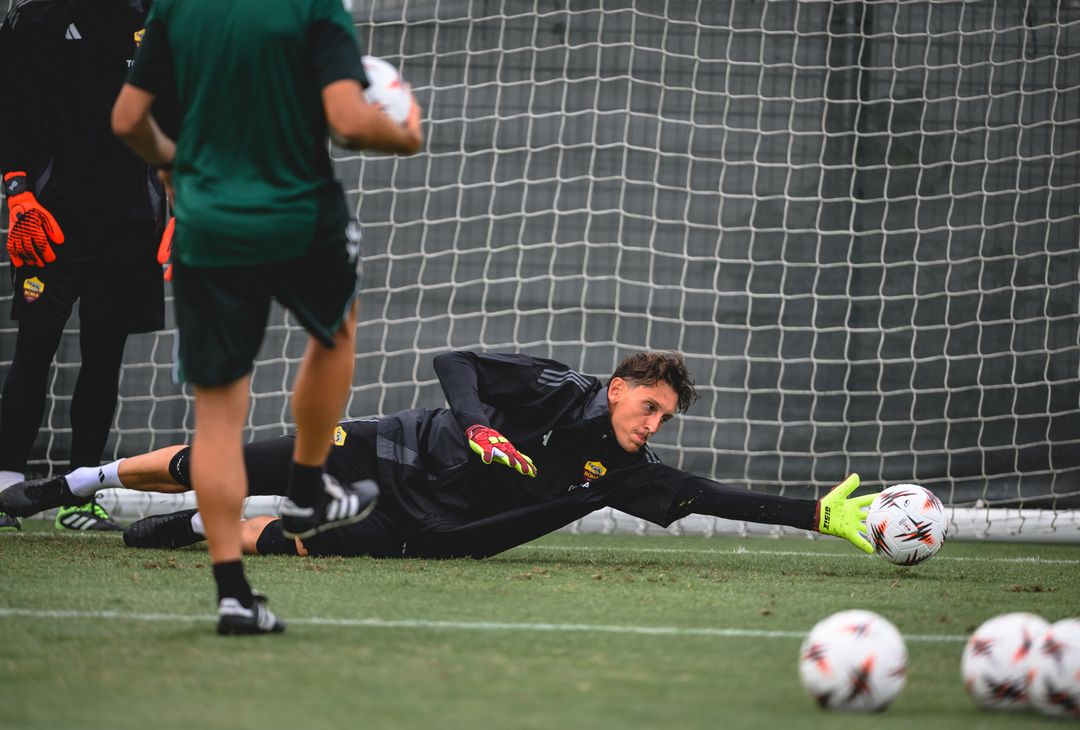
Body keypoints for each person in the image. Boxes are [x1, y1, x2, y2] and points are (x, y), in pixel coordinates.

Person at [107, 0, 423, 635]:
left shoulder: (178, 9)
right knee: (334, 334)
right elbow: (348, 122)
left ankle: (232, 597)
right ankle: (307, 491)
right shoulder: (313, 8)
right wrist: (408, 130)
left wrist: (172, 165)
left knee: (219, 409)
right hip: (298, 214)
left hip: (208, 219)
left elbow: (128, 119)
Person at [1, 351, 878, 562]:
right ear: (617, 387)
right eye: (649, 407)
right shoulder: (556, 387)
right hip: (397, 446)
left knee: (297, 543)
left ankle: (193, 528)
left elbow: (708, 494)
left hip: (433, 524)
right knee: (224, 457)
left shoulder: (627, 471)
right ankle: (63, 484)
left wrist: (813, 515)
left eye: (665, 418)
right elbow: (457, 365)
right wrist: (479, 424)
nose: (654, 424)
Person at [0, 0, 168, 533]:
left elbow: (178, 110)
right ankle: (4, 488)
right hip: (50, 220)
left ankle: (80, 495)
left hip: (130, 223)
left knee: (105, 359)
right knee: (33, 353)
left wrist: (178, 199)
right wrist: (16, 192)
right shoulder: (34, 19)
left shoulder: (155, 16)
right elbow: (9, 111)